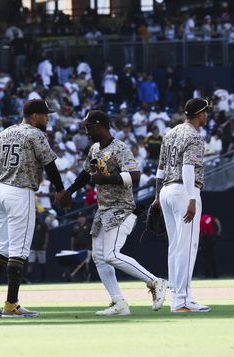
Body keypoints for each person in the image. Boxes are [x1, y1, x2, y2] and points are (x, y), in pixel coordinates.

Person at [59, 110, 166, 316]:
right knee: (99, 258)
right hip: (103, 209)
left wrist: (106, 179)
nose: (86, 130)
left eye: (89, 126)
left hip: (121, 208)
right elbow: (86, 173)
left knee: (111, 255)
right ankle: (119, 303)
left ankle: (155, 281)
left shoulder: (119, 148)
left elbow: (135, 175)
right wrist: (69, 192)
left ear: (99, 126)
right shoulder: (95, 148)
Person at [0, 99, 65, 318]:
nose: (47, 118)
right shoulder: (35, 134)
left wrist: (11, 165)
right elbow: (50, 164)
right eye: (45, 115)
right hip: (20, 191)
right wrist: (60, 189)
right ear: (34, 116)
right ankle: (11, 304)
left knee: (3, 248)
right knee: (18, 251)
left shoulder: (5, 132)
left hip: (0, 191)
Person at [153, 98, 210, 313]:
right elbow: (188, 169)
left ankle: (177, 296)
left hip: (167, 191)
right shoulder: (193, 136)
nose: (207, 115)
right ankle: (182, 300)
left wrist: (157, 195)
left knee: (175, 247)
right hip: (183, 191)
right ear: (199, 114)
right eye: (206, 112)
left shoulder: (171, 132)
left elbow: (160, 168)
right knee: (187, 246)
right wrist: (192, 199)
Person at [27, 215, 48, 282]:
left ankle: (43, 278)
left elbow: (47, 234)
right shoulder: (29, 223)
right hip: (32, 246)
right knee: (30, 263)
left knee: (42, 263)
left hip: (41, 247)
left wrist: (45, 244)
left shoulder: (42, 224)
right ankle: (29, 279)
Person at [199, 213, 221, 278]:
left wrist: (199, 240)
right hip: (211, 238)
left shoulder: (201, 220)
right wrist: (219, 229)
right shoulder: (207, 217)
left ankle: (208, 275)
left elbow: (204, 232)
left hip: (206, 239)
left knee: (206, 258)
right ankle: (215, 275)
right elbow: (216, 220)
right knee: (212, 258)